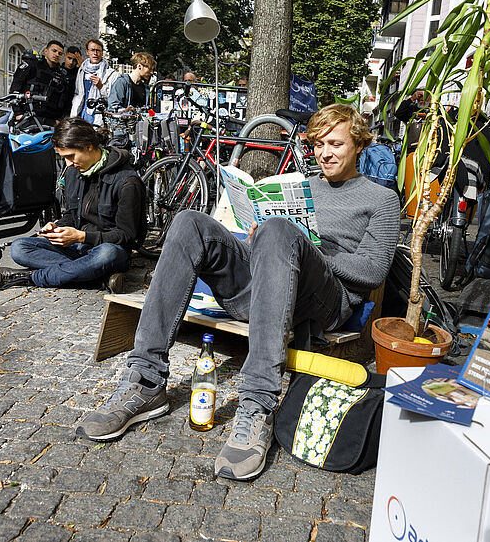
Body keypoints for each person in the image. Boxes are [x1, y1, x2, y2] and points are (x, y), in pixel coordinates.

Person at [76, 104, 401, 481]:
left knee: (280, 231)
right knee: (189, 223)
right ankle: (145, 380)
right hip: (267, 289)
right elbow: (271, 245)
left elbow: (372, 271)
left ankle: (258, 403)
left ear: (359, 145)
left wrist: (304, 248)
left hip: (322, 303)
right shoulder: (303, 186)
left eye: (336, 144)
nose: (325, 153)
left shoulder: (380, 199)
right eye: (318, 144)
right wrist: (257, 237)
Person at [0, 117, 145, 293]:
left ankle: (30, 278)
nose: (68, 164)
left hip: (107, 249)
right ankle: (96, 277)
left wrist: (82, 237)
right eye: (63, 158)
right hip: (76, 248)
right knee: (19, 248)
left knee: (107, 254)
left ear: (88, 146)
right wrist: (56, 226)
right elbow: (71, 214)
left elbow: (128, 236)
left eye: (70, 156)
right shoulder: (73, 172)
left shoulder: (127, 182)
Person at [8, 40, 68, 125]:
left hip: (50, 121)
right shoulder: (32, 65)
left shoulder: (61, 76)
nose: (57, 55)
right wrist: (18, 114)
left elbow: (65, 100)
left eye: (60, 53)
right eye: (54, 51)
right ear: (46, 51)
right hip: (28, 117)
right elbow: (15, 88)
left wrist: (60, 120)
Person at [70, 38, 119, 125]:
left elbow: (114, 100)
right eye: (92, 50)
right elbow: (78, 93)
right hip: (81, 115)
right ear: (87, 52)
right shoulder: (82, 70)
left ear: (102, 53)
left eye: (98, 50)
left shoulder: (111, 74)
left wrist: (101, 87)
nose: (95, 53)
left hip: (98, 117)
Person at [62, 46, 83, 116]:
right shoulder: (58, 70)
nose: (71, 62)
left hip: (72, 110)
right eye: (69, 58)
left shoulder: (79, 74)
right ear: (65, 56)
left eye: (75, 60)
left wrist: (82, 66)